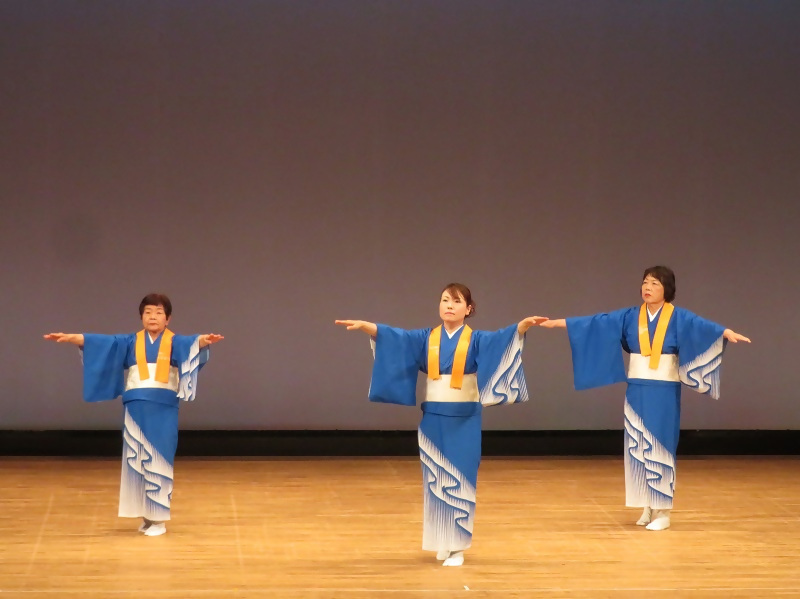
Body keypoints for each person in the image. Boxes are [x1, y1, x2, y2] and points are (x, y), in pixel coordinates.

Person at [336, 283, 546, 566]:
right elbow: (397, 339)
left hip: (464, 418)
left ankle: (457, 547)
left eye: (457, 301)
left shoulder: (478, 339)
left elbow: (501, 341)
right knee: (436, 478)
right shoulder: (426, 338)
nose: (449, 305)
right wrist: (369, 327)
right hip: (433, 416)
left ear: (468, 309)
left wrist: (520, 328)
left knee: (460, 479)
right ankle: (441, 541)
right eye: (445, 299)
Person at [540, 266, 750, 530]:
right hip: (637, 387)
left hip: (664, 388)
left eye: (655, 283)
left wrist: (724, 332)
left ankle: (663, 510)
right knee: (638, 443)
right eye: (645, 282)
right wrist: (560, 323)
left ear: (667, 290)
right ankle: (647, 506)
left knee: (660, 444)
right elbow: (597, 322)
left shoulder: (679, 317)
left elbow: (702, 328)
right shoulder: (630, 316)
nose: (647, 287)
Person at [44, 293, 223, 536]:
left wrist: (203, 340)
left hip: (162, 407)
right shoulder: (128, 341)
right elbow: (100, 343)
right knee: (136, 458)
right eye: (148, 312)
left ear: (168, 318)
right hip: (135, 405)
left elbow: (193, 343)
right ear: (141, 316)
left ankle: (158, 518)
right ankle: (146, 516)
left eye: (159, 312)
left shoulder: (174, 342)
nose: (153, 316)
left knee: (158, 458)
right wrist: (72, 338)